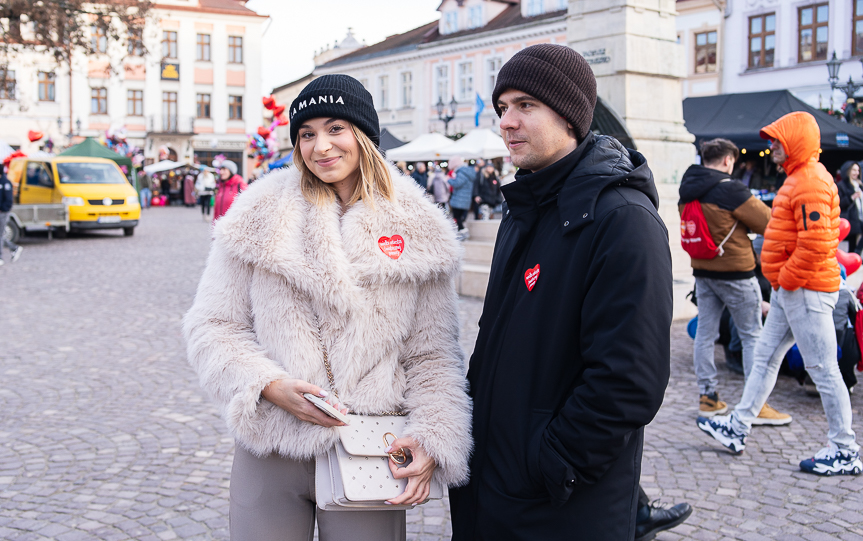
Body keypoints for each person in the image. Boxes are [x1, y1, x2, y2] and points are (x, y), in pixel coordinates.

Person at [183, 74, 472, 541]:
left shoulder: (419, 228)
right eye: (307, 133)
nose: (321, 146)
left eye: (336, 128)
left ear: (363, 136)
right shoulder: (258, 214)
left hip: (370, 445)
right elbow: (212, 325)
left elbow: (432, 355)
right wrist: (269, 384)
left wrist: (434, 435)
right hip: (273, 443)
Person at [448, 43, 677, 540]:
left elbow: (628, 380)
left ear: (571, 117)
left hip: (558, 506)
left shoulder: (623, 221)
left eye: (525, 105)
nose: (507, 121)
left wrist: (553, 462)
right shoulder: (526, 206)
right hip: (494, 490)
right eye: (503, 107)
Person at [698, 111, 862, 476]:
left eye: (777, 139)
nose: (771, 145)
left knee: (822, 368)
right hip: (796, 289)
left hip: (804, 289)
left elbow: (816, 243)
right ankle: (738, 427)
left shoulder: (810, 182)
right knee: (767, 361)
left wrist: (786, 277)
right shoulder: (802, 178)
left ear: (795, 141)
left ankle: (844, 447)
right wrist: (785, 280)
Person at [679, 138, 790, 424]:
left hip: (703, 270)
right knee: (752, 334)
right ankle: (757, 404)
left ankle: (708, 397)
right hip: (736, 273)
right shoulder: (730, 189)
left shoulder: (687, 188)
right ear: (728, 160)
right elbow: (768, 222)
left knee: (705, 333)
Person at [837, 160, 863, 253]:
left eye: (858, 170)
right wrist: (851, 197)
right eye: (854, 170)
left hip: (859, 216)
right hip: (849, 218)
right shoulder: (842, 185)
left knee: (855, 242)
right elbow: (839, 202)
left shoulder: (859, 184)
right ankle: (855, 255)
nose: (856, 173)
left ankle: (856, 254)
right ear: (848, 171)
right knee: (851, 242)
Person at [0, 168, 22, 267]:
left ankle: (0, 257)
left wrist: (3, 209)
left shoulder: (6, 183)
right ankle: (13, 248)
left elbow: (9, 200)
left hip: (3, 213)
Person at [447, 157, 473, 237]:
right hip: (465, 199)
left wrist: (449, 180)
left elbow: (457, 183)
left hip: (459, 199)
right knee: (459, 218)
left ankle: (463, 233)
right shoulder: (467, 172)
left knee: (457, 217)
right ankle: (461, 232)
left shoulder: (461, 172)